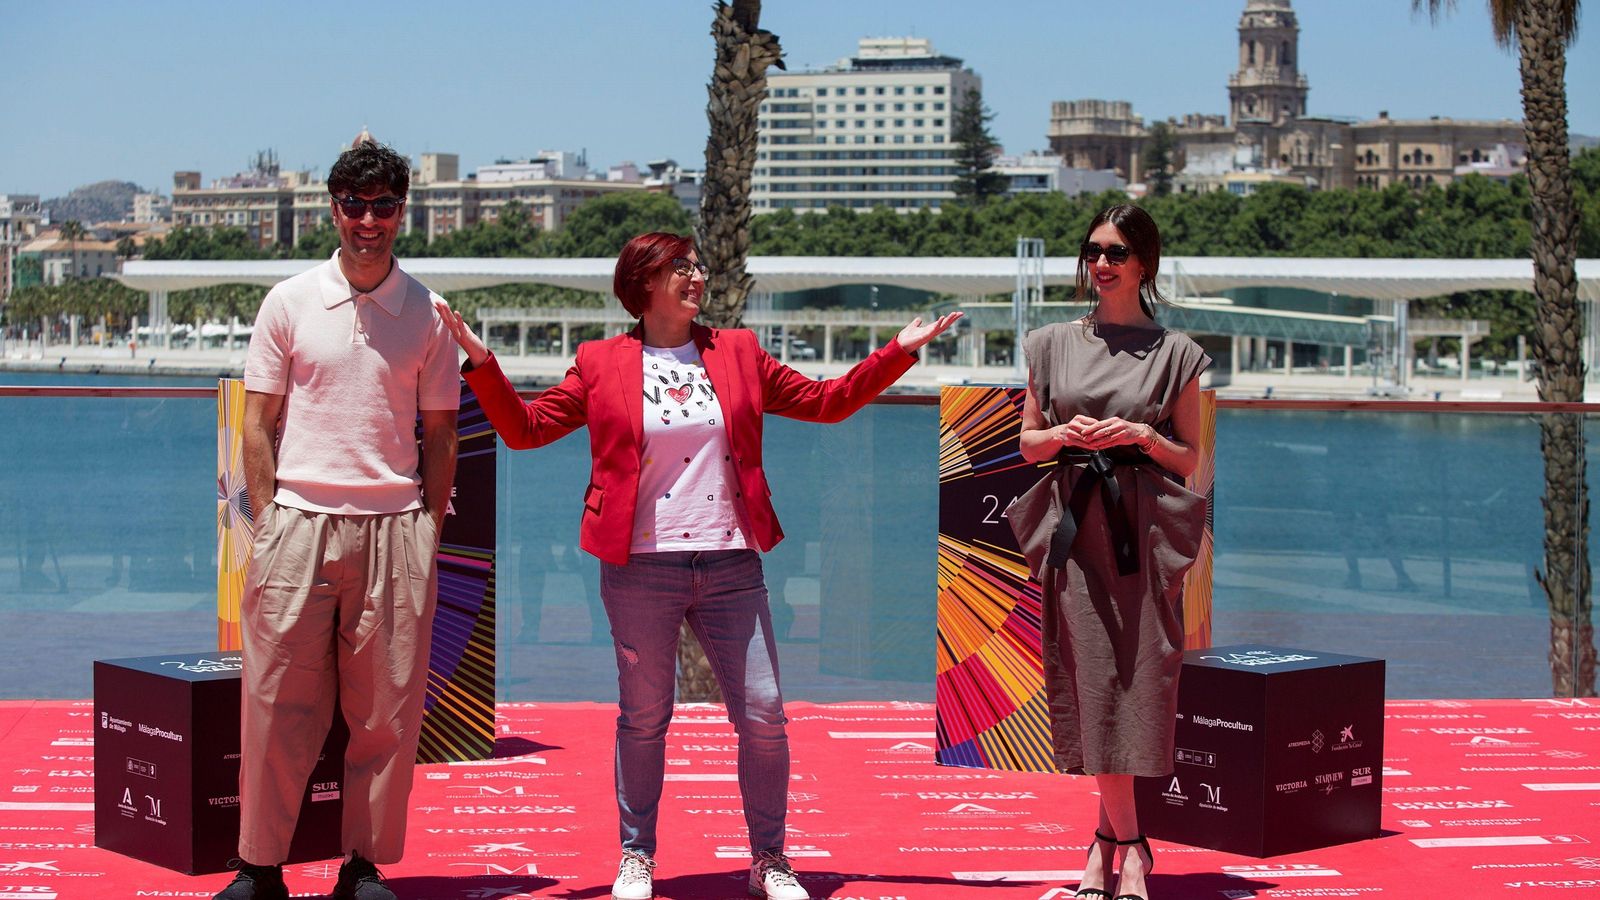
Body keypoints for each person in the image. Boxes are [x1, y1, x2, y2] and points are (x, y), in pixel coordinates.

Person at [437, 231, 960, 900]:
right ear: (643, 283)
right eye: (679, 267)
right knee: (644, 717)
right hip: (640, 567)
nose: (696, 275)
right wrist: (480, 359)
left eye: (697, 265)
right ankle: (636, 856)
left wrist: (898, 352)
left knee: (764, 715)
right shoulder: (599, 362)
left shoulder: (737, 352)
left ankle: (769, 859)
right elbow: (525, 429)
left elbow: (826, 403)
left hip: (731, 562)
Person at [215, 140, 461, 900]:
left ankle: (362, 867)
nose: (368, 219)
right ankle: (259, 868)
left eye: (383, 205)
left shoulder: (428, 313)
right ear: (334, 209)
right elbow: (257, 424)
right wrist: (269, 523)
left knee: (385, 715)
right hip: (297, 526)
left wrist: (427, 529)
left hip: (394, 531)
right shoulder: (288, 302)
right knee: (273, 706)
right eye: (355, 204)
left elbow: (442, 434)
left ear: (402, 212)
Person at [1010, 205, 1209, 900]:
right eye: (1093, 250)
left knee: (1138, 682)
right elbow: (1028, 444)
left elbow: (1189, 457)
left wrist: (1141, 436)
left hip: (1141, 533)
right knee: (1095, 683)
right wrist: (1065, 436)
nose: (1102, 263)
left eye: (1117, 252)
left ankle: (1109, 845)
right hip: (1077, 531)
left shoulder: (1177, 353)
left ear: (1144, 262)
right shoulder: (1048, 344)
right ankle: (1131, 850)